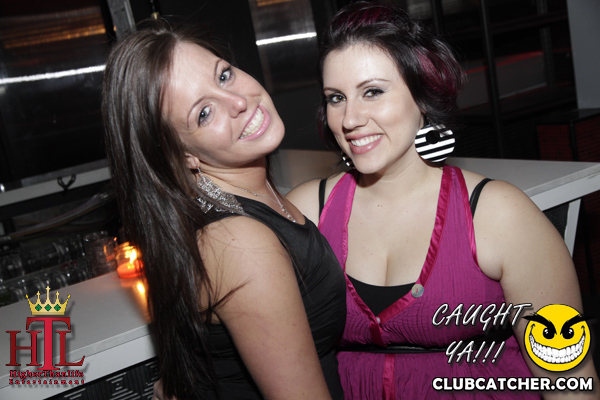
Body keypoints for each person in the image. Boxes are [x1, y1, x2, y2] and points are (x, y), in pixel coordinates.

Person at [287, 2, 599, 399]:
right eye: (336, 98)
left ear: (422, 96)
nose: (349, 119)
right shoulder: (308, 211)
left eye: (373, 92)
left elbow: (569, 382)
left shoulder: (498, 214)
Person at [102, 18, 345, 400]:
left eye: (224, 75)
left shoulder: (253, 204)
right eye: (203, 113)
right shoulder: (240, 243)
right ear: (182, 155)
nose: (238, 102)